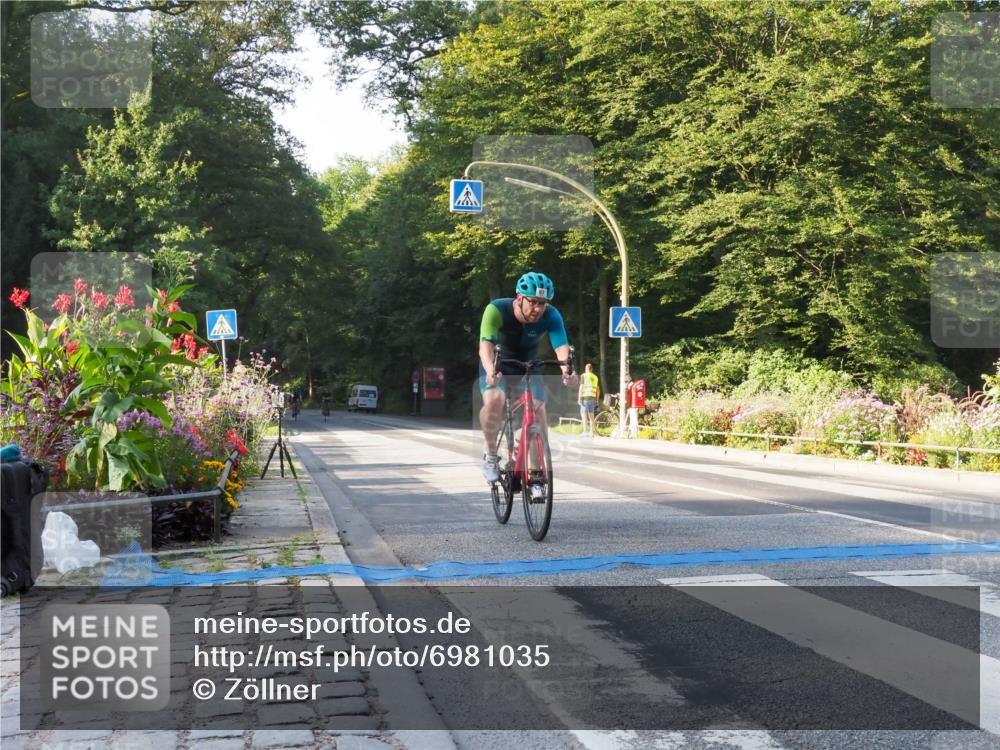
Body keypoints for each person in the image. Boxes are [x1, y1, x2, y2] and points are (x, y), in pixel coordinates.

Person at [478, 272, 577, 488]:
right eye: (533, 302)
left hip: (528, 364)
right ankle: (491, 454)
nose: (538, 309)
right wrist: (489, 370)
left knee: (538, 412)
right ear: (519, 297)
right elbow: (485, 345)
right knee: (494, 400)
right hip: (498, 363)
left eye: (542, 303)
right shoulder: (496, 309)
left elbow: (561, 346)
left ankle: (536, 475)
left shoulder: (551, 316)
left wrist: (566, 371)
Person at [577, 363, 600, 436]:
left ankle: (584, 432)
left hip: (585, 398)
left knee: (584, 415)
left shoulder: (583, 375)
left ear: (586, 369)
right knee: (591, 415)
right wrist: (597, 399)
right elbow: (598, 389)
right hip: (593, 398)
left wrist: (579, 397)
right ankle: (591, 432)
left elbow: (581, 387)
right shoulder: (595, 377)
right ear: (591, 369)